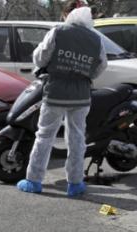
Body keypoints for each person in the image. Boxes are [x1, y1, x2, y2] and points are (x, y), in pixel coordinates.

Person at [16, 7, 108, 197]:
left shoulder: (58, 31)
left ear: (68, 16)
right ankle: (75, 183)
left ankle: (34, 180)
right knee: (76, 139)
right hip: (81, 96)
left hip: (55, 93)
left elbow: (40, 58)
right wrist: (86, 75)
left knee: (45, 136)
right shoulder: (95, 38)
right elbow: (102, 65)